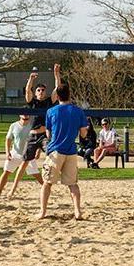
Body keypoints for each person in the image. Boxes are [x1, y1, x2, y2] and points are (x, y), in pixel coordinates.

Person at [38, 83, 88, 220]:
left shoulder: (51, 112)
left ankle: (43, 212)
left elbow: (48, 134)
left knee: (47, 183)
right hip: (71, 151)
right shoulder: (78, 111)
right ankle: (78, 212)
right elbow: (83, 133)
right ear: (69, 95)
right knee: (72, 184)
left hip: (56, 150)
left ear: (57, 96)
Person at [24, 65, 62, 167]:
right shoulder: (32, 102)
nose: (41, 91)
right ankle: (15, 183)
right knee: (25, 162)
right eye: (38, 90)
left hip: (44, 136)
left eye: (43, 90)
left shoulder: (49, 101)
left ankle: (48, 176)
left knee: (52, 155)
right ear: (35, 93)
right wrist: (31, 79)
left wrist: (56, 75)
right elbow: (28, 91)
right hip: (32, 136)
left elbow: (58, 88)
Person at [0, 115, 42, 196]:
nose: (25, 115)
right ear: (20, 115)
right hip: (15, 153)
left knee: (36, 175)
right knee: (6, 172)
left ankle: (47, 188)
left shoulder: (33, 125)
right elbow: (8, 139)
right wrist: (7, 152)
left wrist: (38, 151)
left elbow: (38, 140)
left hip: (29, 154)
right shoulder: (14, 125)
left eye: (27, 114)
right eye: (23, 114)